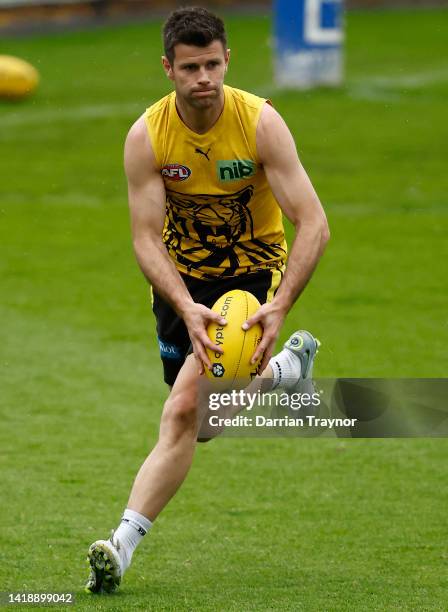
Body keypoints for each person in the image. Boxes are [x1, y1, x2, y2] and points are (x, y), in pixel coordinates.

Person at [85, 6, 329, 593]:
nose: (204, 78)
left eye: (213, 64)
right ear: (168, 68)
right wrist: (185, 303)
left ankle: (120, 547)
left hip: (251, 278)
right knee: (209, 424)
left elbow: (313, 223)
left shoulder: (260, 123)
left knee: (182, 414)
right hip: (181, 285)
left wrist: (279, 305)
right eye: (190, 66)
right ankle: (286, 368)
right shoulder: (147, 136)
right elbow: (145, 238)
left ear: (227, 61)